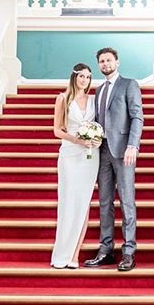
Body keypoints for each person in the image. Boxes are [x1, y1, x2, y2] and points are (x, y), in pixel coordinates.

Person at [84, 47, 143, 272]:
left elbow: (137, 116)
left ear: (116, 62)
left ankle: (128, 252)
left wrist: (132, 145)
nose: (105, 64)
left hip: (124, 150)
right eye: (101, 61)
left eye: (109, 60)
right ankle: (106, 250)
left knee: (127, 201)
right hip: (103, 150)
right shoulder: (98, 91)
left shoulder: (129, 84)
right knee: (105, 202)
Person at [50, 63, 101, 269]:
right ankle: (61, 252)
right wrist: (77, 140)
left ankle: (75, 255)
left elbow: (100, 124)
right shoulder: (63, 99)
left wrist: (96, 138)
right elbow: (57, 131)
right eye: (82, 76)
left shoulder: (93, 100)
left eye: (88, 77)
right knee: (69, 201)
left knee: (83, 202)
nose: (85, 81)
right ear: (74, 77)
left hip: (90, 155)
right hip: (70, 154)